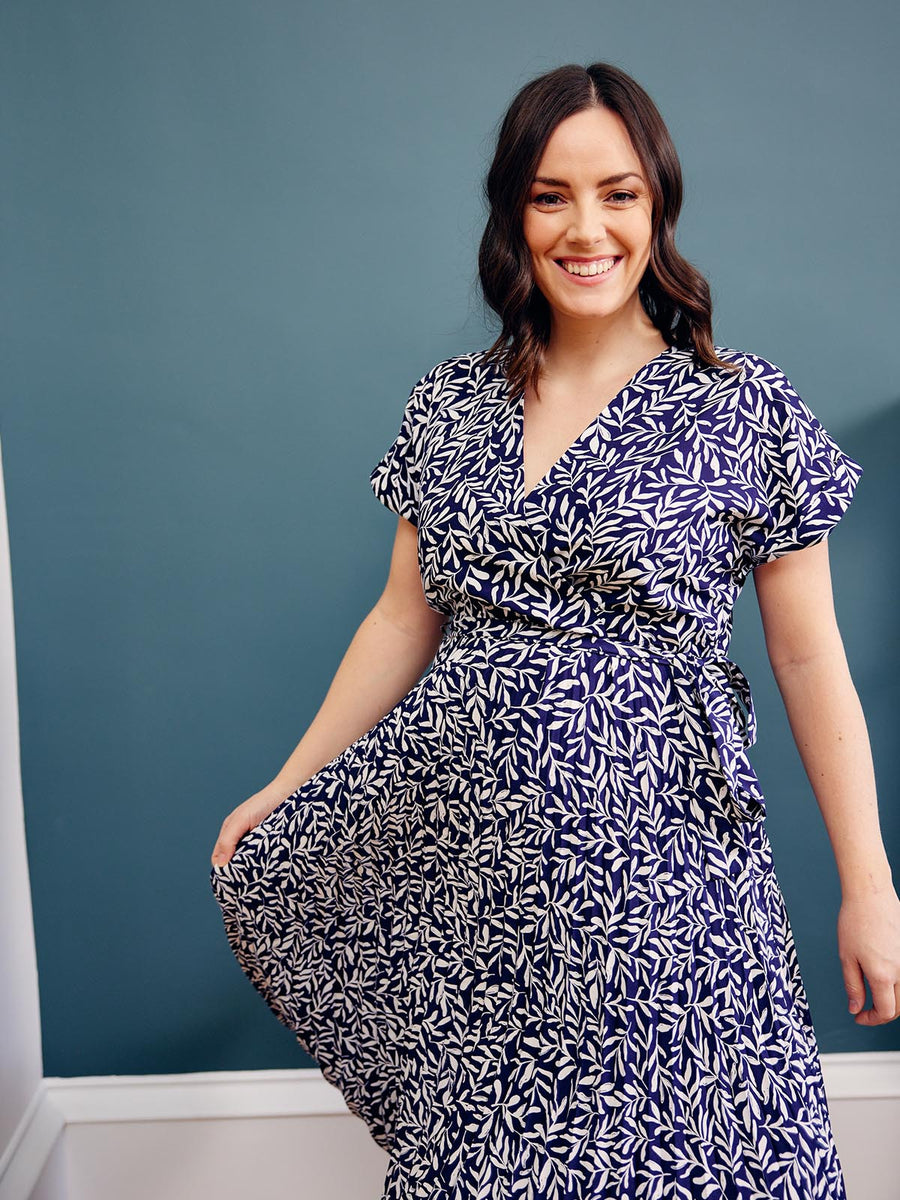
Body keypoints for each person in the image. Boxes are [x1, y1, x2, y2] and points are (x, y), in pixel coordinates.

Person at [210, 61, 899, 1199]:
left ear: (658, 205)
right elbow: (402, 615)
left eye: (619, 194)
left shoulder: (744, 407)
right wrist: (289, 783)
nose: (588, 228)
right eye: (551, 196)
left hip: (671, 877)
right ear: (512, 214)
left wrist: (869, 887)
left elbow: (808, 658)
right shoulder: (449, 402)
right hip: (483, 891)